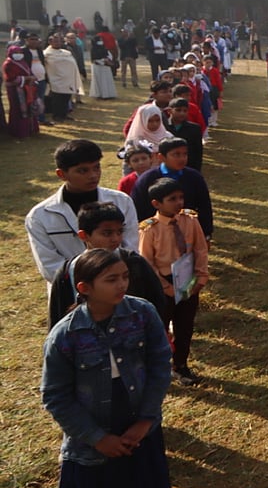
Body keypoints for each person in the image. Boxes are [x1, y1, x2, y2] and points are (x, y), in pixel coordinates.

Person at [41, 248, 174, 488]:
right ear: (84, 288)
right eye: (111, 279)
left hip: (138, 430)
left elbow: (160, 364)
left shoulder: (142, 313)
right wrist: (98, 438)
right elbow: (55, 395)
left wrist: (146, 419)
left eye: (125, 276)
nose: (122, 285)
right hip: (91, 442)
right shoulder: (65, 335)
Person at [28, 139, 140, 287]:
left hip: (119, 288)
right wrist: (90, 281)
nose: (93, 175)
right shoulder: (40, 216)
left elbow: (130, 248)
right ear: (61, 174)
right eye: (83, 170)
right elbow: (49, 267)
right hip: (69, 292)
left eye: (96, 168)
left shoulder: (122, 201)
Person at [47, 201, 166, 329]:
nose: (115, 238)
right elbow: (58, 316)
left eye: (120, 232)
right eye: (107, 233)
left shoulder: (134, 263)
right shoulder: (69, 271)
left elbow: (157, 303)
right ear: (84, 235)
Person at [138, 177, 210, 385]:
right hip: (163, 282)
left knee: (185, 325)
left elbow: (200, 249)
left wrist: (200, 277)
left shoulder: (190, 220)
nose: (179, 203)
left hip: (188, 279)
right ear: (156, 204)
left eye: (181, 197)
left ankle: (181, 365)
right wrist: (165, 286)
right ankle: (158, 366)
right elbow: (147, 262)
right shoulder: (149, 229)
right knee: (159, 327)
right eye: (172, 199)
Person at [130, 137, 214, 240]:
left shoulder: (194, 177)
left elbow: (204, 206)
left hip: (187, 231)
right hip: (156, 235)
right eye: (176, 154)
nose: (182, 158)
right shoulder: (147, 179)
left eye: (185, 154)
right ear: (161, 157)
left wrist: (206, 234)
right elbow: (137, 209)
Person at [5, 41, 41, 139]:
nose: (19, 55)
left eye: (20, 53)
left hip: (27, 89)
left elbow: (30, 72)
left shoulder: (23, 62)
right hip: (15, 90)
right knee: (19, 110)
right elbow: (11, 78)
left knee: (29, 108)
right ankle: (19, 131)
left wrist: (33, 78)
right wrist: (27, 78)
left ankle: (30, 129)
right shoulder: (8, 64)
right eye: (16, 53)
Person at [165, 98, 204, 171]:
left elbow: (198, 152)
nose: (182, 113)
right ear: (169, 111)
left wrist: (197, 170)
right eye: (178, 110)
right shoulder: (163, 127)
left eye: (185, 111)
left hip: (188, 166)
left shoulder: (194, 128)